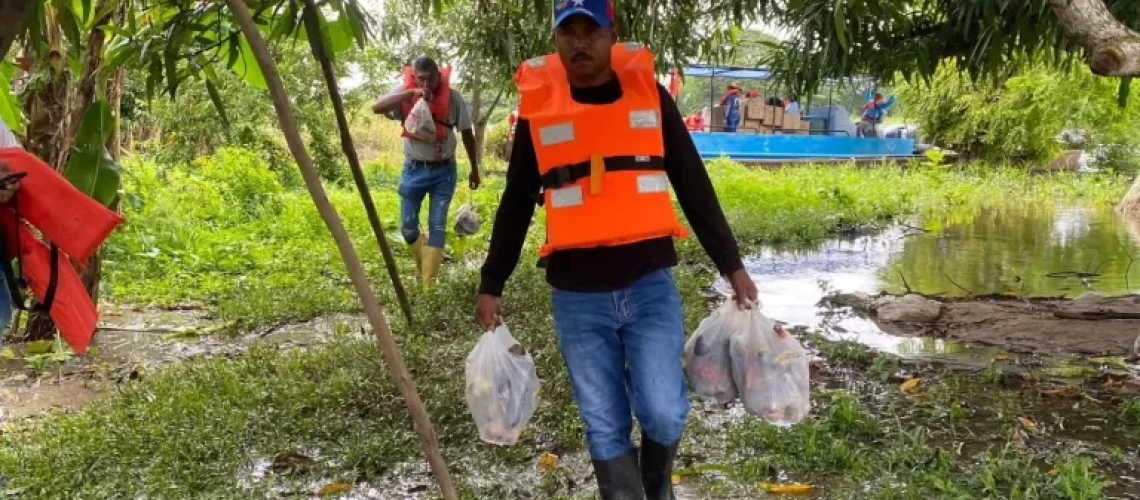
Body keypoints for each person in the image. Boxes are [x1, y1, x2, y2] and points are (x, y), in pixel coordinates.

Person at [473, 0, 765, 497]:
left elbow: (692, 183)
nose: (579, 42)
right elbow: (515, 203)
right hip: (577, 297)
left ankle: (659, 485)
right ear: (556, 39)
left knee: (664, 408)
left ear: (613, 35)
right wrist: (491, 282)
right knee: (604, 421)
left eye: (591, 30)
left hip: (648, 285)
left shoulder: (648, 97)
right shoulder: (539, 114)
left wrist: (732, 265)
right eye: (569, 32)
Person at [372, 57, 481, 282]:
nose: (424, 83)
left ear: (437, 76)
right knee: (407, 226)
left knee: (437, 225)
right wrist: (409, 94)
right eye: (420, 78)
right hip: (414, 169)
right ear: (415, 76)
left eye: (429, 78)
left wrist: (474, 168)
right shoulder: (405, 93)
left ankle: (427, 285)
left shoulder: (453, 98)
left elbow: (467, 134)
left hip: (444, 171)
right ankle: (423, 262)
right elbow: (377, 107)